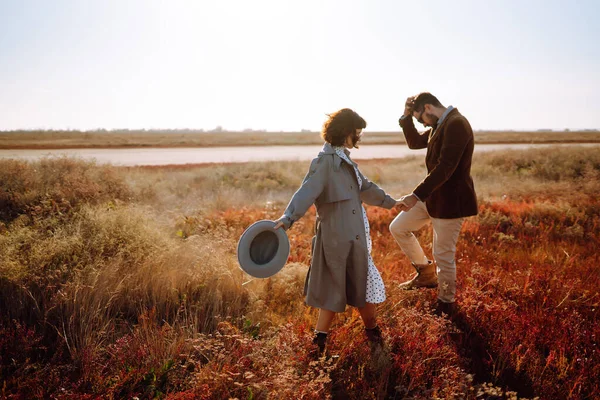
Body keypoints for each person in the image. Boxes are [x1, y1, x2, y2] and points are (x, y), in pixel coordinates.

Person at [274, 108, 403, 356]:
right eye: (357, 133)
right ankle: (323, 342)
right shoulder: (324, 163)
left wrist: (392, 202)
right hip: (335, 238)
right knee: (336, 287)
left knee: (360, 283)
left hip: (355, 236)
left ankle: (370, 334)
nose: (359, 138)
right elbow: (306, 192)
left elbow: (365, 187)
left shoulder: (345, 160)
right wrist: (287, 218)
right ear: (346, 133)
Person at [390, 92, 478, 316]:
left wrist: (416, 195)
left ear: (428, 107)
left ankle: (445, 304)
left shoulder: (456, 124)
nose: (422, 123)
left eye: (420, 119)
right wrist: (406, 117)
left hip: (451, 201)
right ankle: (426, 274)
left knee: (443, 254)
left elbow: (445, 167)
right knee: (398, 227)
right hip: (433, 198)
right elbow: (413, 142)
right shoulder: (439, 125)